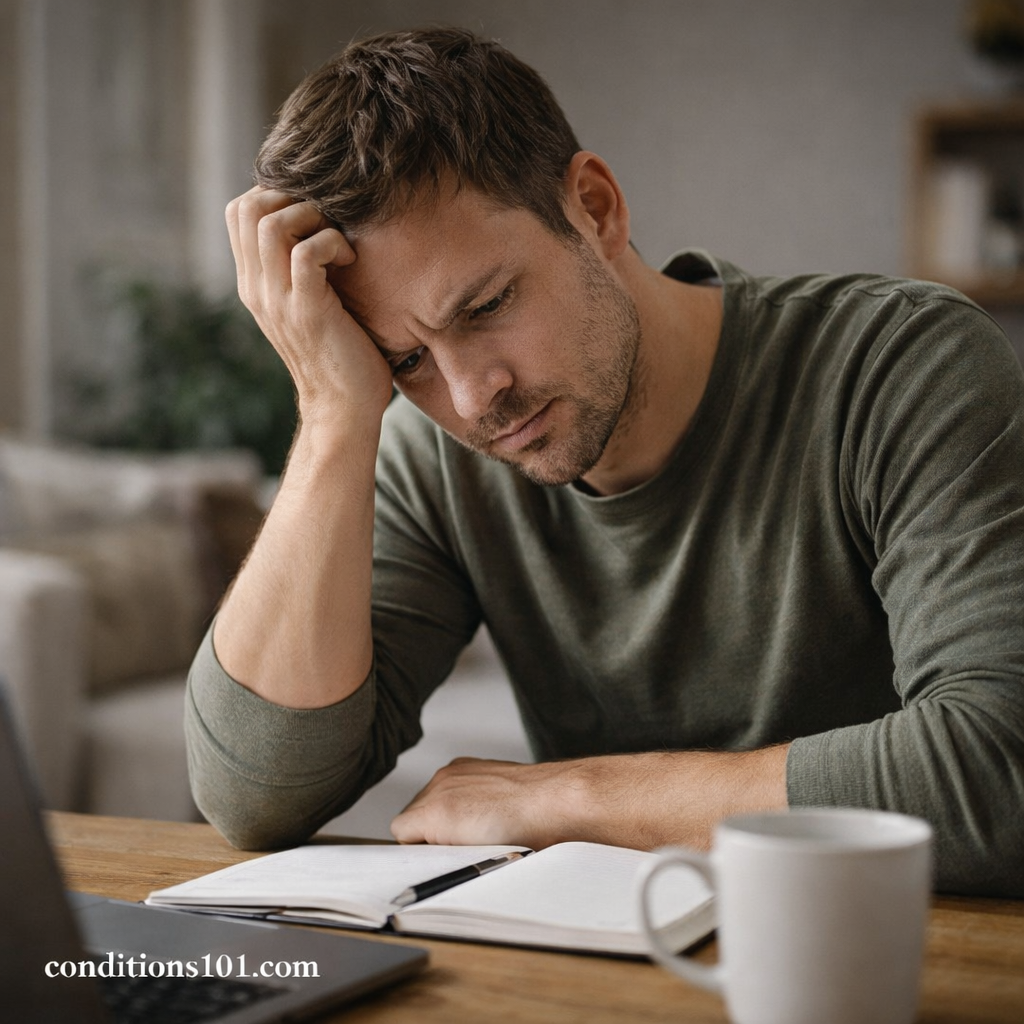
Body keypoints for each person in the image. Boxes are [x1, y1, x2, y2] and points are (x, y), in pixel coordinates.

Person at [186, 27, 1024, 896]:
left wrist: (571, 794)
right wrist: (331, 416)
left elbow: (1001, 771)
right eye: (407, 360)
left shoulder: (900, 367)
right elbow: (254, 796)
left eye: (486, 305)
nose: (474, 398)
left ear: (595, 207)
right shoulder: (435, 459)